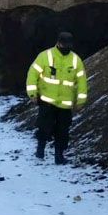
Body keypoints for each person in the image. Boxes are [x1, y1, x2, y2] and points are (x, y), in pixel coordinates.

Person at [25, 32, 88, 165]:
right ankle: (40, 150)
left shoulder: (75, 60)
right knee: (43, 127)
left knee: (63, 131)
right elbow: (32, 74)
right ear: (58, 43)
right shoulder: (45, 56)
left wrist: (81, 100)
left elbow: (81, 81)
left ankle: (59, 156)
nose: (66, 47)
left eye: (69, 45)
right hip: (47, 101)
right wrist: (32, 93)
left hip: (65, 104)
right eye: (64, 45)